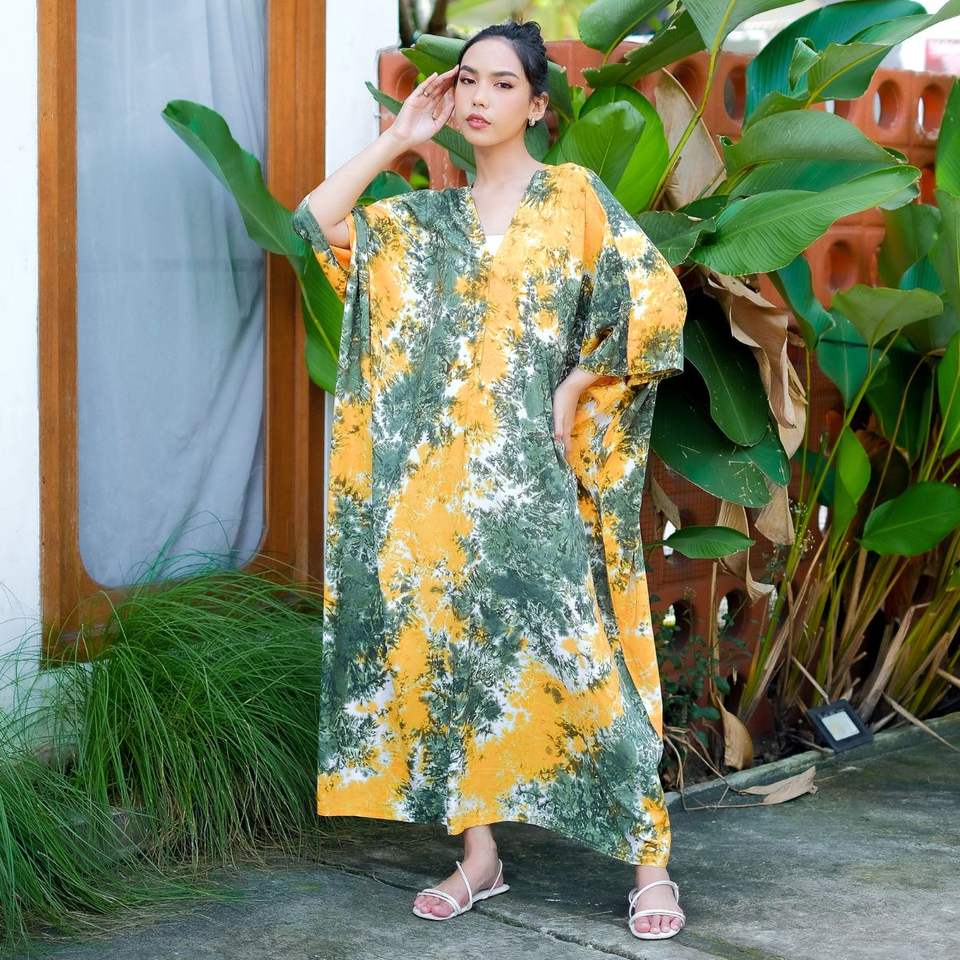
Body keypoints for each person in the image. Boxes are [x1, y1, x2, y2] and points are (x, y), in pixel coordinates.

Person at [292, 19, 687, 942]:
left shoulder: (573, 197)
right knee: (455, 667)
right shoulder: (425, 224)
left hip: (543, 488)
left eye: (502, 84)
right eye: (467, 79)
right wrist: (399, 138)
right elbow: (316, 222)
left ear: (538, 105)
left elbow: (655, 304)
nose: (477, 96)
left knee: (594, 670)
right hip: (441, 498)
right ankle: (479, 858)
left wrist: (579, 380)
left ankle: (651, 863)